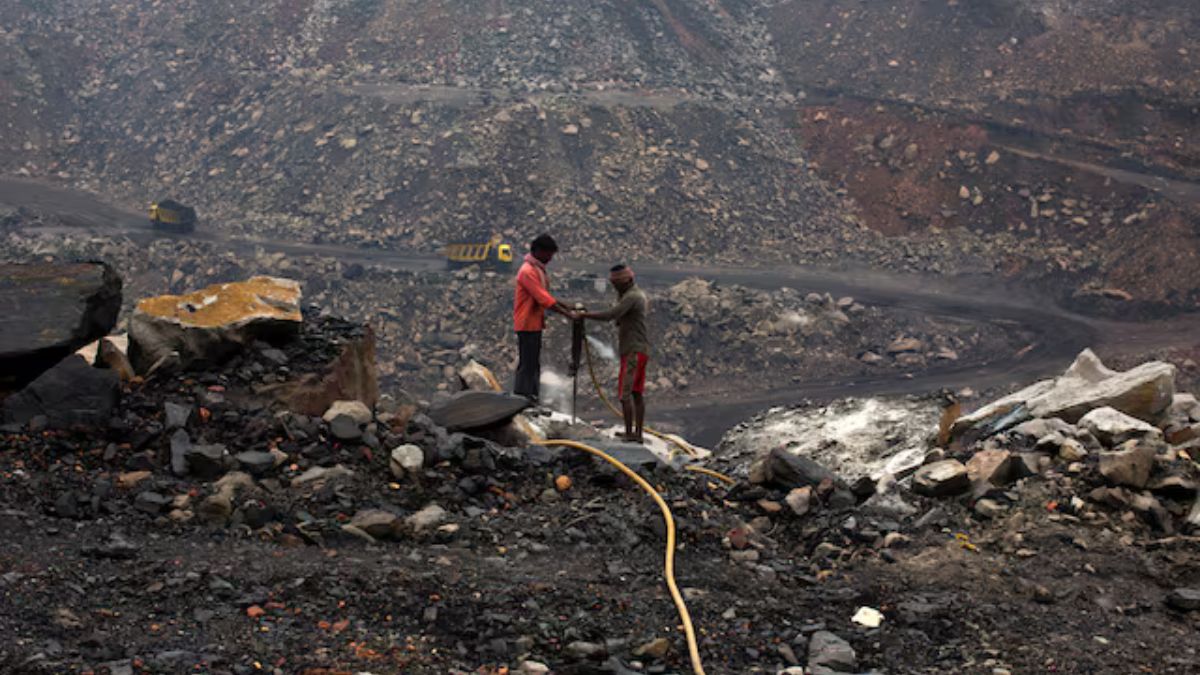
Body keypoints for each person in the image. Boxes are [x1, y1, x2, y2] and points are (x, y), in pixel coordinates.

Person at [582, 264, 650, 443]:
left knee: (625, 394)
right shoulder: (631, 295)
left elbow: (611, 315)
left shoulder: (632, 297)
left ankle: (631, 434)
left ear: (626, 280)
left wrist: (584, 316)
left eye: (616, 284)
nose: (614, 287)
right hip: (638, 349)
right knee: (636, 393)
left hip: (633, 351)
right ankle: (637, 433)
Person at [513, 233, 576, 402]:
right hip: (527, 323)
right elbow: (543, 298)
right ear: (539, 251)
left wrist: (565, 306)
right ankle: (522, 397)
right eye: (548, 254)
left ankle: (531, 397)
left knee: (533, 363)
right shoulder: (528, 272)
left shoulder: (536, 269)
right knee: (527, 363)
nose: (549, 258)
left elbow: (545, 295)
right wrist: (567, 314)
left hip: (534, 322)